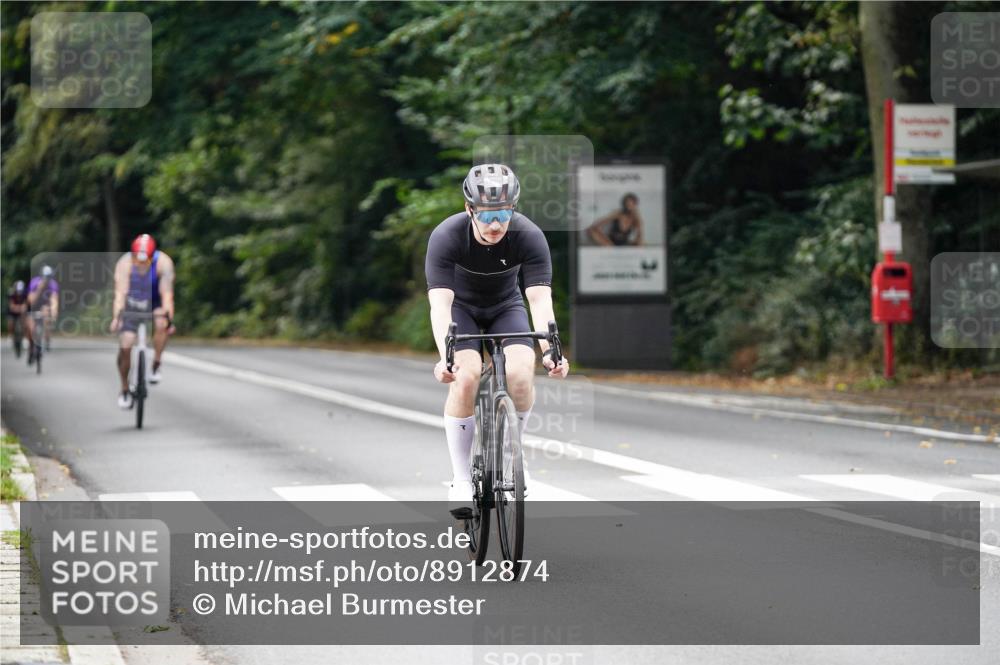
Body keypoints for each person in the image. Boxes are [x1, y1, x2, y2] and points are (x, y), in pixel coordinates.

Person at [425, 163, 570, 509]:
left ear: (513, 209)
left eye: (504, 213)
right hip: (461, 310)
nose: (496, 224)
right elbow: (440, 306)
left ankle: (512, 455)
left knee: (521, 373)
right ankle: (461, 478)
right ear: (469, 209)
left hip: (506, 306)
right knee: (466, 377)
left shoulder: (528, 235)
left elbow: (539, 300)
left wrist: (551, 351)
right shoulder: (446, 236)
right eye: (487, 215)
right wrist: (446, 358)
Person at [109, 234, 176, 409]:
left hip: (154, 301)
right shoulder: (124, 263)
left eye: (146, 261)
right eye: (137, 261)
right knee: (126, 344)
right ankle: (125, 388)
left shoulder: (163, 263)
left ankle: (156, 363)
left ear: (152, 257)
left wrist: (168, 319)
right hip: (132, 303)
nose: (141, 265)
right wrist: (117, 318)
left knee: (161, 323)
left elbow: (167, 295)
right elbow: (120, 294)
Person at [26, 265, 59, 363]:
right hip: (33, 307)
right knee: (31, 329)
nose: (47, 280)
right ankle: (31, 348)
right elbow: (31, 301)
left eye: (49, 277)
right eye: (45, 277)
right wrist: (39, 289)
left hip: (45, 307)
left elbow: (54, 299)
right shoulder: (35, 282)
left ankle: (46, 340)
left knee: (47, 319)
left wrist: (54, 311)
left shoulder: (53, 284)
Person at [7, 280, 28, 353]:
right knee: (10, 323)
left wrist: (22, 308)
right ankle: (10, 336)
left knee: (25, 321)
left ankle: (25, 337)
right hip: (13, 312)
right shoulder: (11, 294)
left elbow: (25, 305)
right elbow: (11, 306)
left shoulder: (25, 294)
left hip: (21, 312)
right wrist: (19, 308)